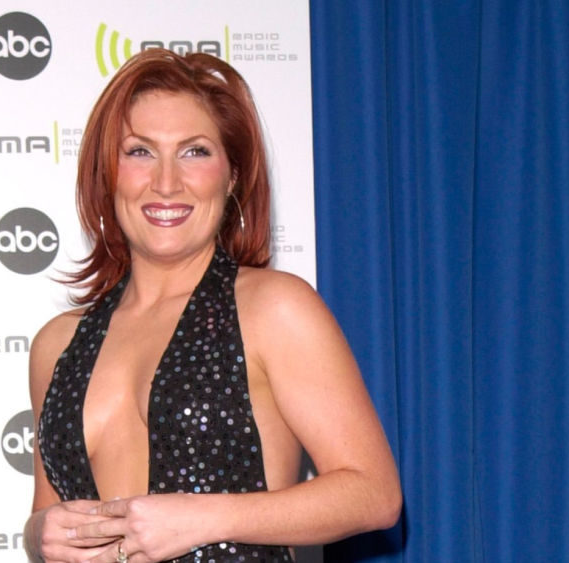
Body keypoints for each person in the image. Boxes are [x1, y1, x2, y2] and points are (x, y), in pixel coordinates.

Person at [24, 48, 401, 563]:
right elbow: (47, 512)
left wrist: (204, 517)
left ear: (232, 176)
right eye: (140, 152)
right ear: (107, 173)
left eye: (194, 152)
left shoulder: (274, 309)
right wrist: (37, 535)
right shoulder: (57, 344)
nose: (166, 182)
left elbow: (374, 494)